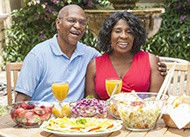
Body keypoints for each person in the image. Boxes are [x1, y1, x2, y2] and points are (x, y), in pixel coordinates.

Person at [15, 5, 166, 103]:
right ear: (58, 23)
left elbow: (155, 101)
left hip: (79, 120)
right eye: (71, 20)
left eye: (82, 22)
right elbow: (21, 99)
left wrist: (160, 68)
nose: (77, 26)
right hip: (44, 118)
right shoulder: (38, 55)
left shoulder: (90, 55)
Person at [85, 11, 165, 100]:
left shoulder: (151, 61)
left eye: (129, 31)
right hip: (104, 114)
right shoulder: (94, 65)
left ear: (135, 36)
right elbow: (91, 104)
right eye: (118, 31)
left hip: (142, 113)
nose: (124, 36)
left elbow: (157, 101)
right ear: (109, 35)